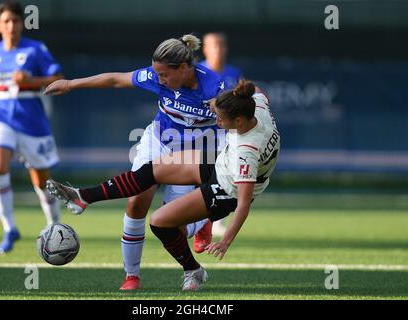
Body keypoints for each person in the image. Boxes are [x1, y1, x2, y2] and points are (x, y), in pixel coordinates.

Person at [46, 80, 280, 291]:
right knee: (148, 171)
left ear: (238, 121)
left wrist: (226, 240)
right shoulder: (255, 106)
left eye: (220, 119)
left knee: (159, 222)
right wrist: (220, 102)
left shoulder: (246, 152)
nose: (216, 121)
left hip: (226, 189)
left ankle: (193, 269)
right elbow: (256, 90)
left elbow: (242, 204)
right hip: (220, 163)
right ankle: (83, 196)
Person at [44, 34, 225, 290]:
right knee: (137, 200)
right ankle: (132, 276)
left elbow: (235, 114)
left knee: (175, 226)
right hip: (159, 141)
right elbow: (115, 79)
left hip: (193, 154)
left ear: (184, 69)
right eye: (157, 74)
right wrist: (71, 84)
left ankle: (202, 223)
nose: (160, 80)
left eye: (165, 75)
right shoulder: (158, 76)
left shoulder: (212, 87)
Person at [0, 0, 63, 254]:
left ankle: (54, 226)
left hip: (32, 122)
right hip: (2, 118)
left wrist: (33, 80)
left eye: (15, 21)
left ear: (22, 23)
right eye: (6, 21)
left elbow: (58, 79)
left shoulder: (36, 50)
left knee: (41, 180)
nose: (11, 25)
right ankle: (9, 228)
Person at [200, 32, 243, 236]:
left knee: (223, 176)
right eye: (213, 45)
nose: (217, 49)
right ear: (205, 49)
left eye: (221, 45)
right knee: (198, 176)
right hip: (199, 134)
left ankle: (215, 220)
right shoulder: (196, 71)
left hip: (225, 135)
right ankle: (194, 218)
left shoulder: (233, 73)